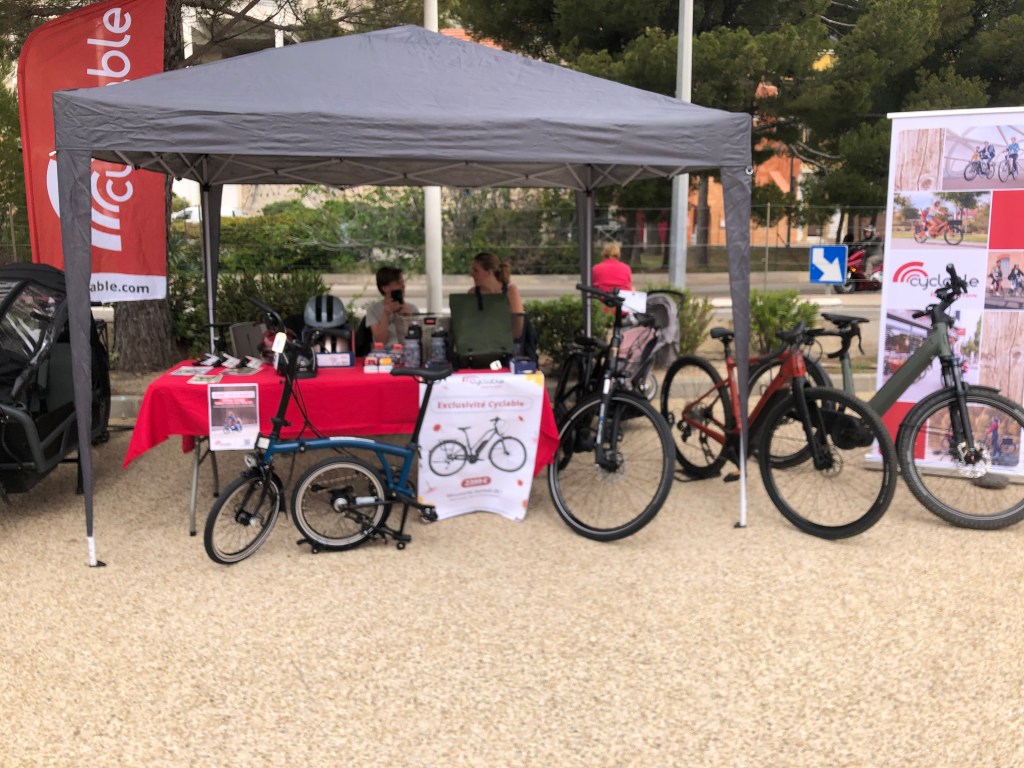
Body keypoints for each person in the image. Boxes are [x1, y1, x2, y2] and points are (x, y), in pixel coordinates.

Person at [468, 251, 534, 356]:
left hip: (508, 348)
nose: (472, 275)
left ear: (489, 272)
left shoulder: (510, 290)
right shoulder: (473, 293)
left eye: (476, 271)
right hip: (481, 348)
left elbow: (518, 327)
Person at [364, 266, 420, 348]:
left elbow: (417, 338)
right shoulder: (373, 310)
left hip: (408, 349)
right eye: (398, 283)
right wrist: (386, 314)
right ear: (384, 288)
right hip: (385, 352)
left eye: (403, 282)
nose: (403, 286)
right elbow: (380, 341)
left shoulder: (412, 308)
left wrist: (407, 316)